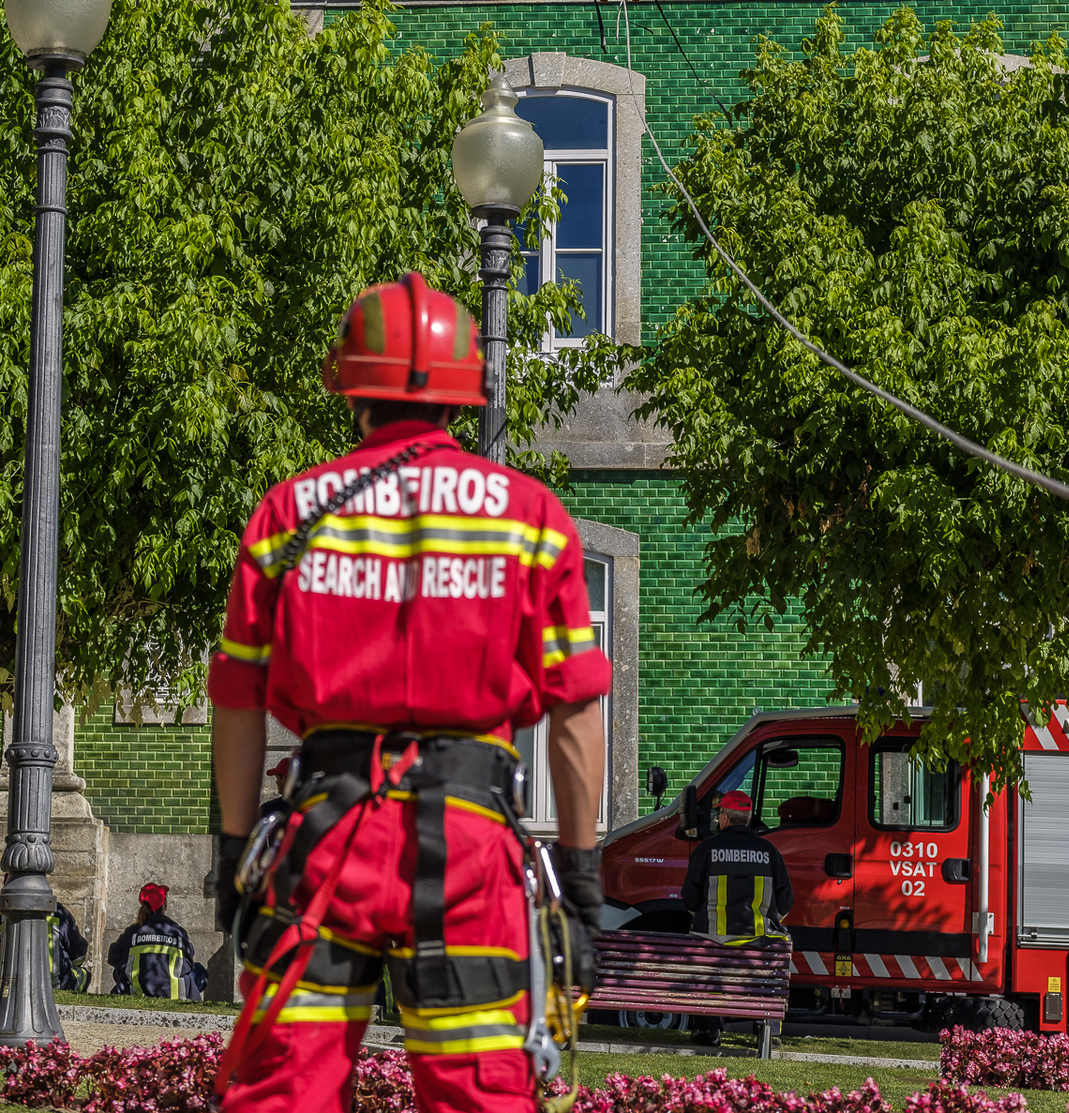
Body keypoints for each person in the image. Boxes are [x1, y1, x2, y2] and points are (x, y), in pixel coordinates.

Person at [208, 272, 610, 1113]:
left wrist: (230, 851)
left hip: (324, 841)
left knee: (283, 1091)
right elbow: (575, 710)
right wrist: (580, 876)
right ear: (465, 398)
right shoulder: (530, 519)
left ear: (353, 394)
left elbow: (239, 697)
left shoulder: (289, 516)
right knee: (483, 1095)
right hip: (467, 849)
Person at [681, 790, 793, 1046]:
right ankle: (767, 1031)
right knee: (773, 956)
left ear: (723, 818)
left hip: (711, 942)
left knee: (704, 964)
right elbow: (786, 899)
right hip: (756, 945)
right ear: (748, 817)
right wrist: (771, 919)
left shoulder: (707, 848)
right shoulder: (768, 851)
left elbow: (689, 896)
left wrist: (700, 916)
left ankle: (708, 1030)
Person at [108, 882, 209, 1001]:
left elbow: (113, 957)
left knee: (120, 968)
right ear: (164, 904)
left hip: (138, 992)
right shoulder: (177, 931)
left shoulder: (133, 931)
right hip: (175, 994)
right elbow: (189, 962)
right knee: (198, 971)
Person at [50, 899, 90, 993]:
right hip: (58, 983)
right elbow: (79, 955)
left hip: (15, 980)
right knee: (84, 975)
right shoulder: (58, 912)